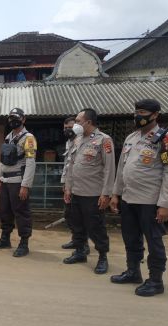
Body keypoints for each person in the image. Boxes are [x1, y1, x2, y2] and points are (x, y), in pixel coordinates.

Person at [110, 99, 168, 297]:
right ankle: (133, 272)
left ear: (155, 115)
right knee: (131, 238)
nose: (138, 115)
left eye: (142, 112)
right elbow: (122, 169)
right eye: (136, 112)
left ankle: (156, 280)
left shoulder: (166, 139)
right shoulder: (131, 138)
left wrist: (165, 205)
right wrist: (116, 193)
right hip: (129, 198)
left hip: (150, 201)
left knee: (154, 240)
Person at [64, 108, 115, 274]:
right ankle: (80, 252)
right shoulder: (77, 140)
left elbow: (109, 168)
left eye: (78, 121)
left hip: (93, 194)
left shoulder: (104, 140)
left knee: (96, 227)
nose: (76, 124)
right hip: (76, 192)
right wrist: (68, 187)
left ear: (89, 122)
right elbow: (71, 165)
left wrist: (106, 193)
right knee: (77, 224)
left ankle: (102, 257)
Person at [0, 108, 37, 257]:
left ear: (23, 119)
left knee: (21, 212)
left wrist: (25, 185)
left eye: (16, 118)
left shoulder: (29, 138)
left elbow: (30, 162)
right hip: (5, 180)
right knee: (4, 211)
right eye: (10, 118)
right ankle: (5, 239)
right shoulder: (8, 137)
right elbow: (3, 161)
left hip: (18, 181)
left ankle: (24, 243)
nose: (12, 120)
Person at [60, 117, 90, 255]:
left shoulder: (82, 142)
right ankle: (76, 239)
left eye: (70, 127)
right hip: (68, 183)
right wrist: (65, 183)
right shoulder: (69, 142)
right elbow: (68, 165)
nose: (67, 130)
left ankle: (83, 244)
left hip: (79, 186)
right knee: (69, 214)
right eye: (65, 127)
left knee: (80, 216)